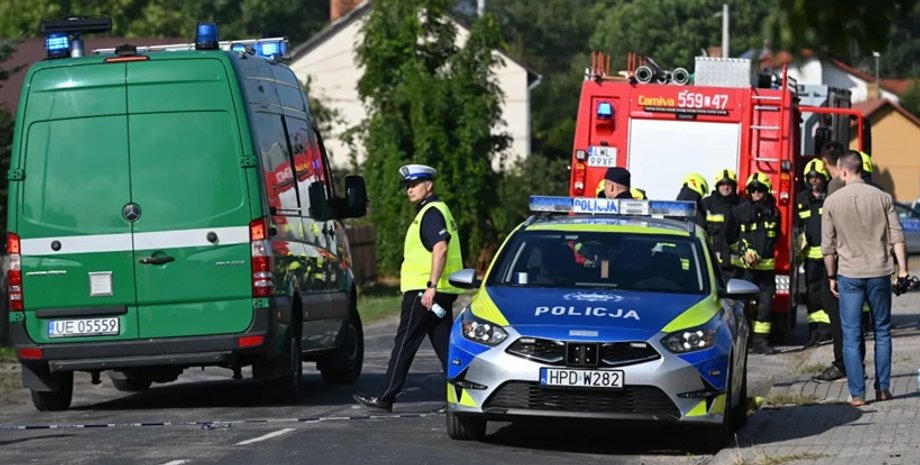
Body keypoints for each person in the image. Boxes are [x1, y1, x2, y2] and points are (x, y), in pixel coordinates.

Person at [354, 164, 464, 412]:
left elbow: (440, 248)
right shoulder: (439, 210)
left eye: (414, 184)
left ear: (429, 185)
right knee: (446, 347)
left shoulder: (431, 212)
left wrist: (430, 286)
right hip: (439, 292)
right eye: (407, 186)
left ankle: (386, 396)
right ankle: (460, 399)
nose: (409, 190)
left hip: (423, 293)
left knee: (405, 342)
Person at [821, 150, 907, 406]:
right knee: (882, 331)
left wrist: (831, 275)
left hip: (849, 274)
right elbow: (897, 237)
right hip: (880, 272)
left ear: (844, 171)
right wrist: (902, 270)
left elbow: (828, 247)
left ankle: (857, 394)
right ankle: (883, 389)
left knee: (851, 334)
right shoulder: (882, 197)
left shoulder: (833, 202)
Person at [733, 172, 780, 355]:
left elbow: (774, 239)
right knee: (742, 307)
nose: (756, 192)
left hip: (766, 270)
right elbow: (730, 237)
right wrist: (743, 251)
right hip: (745, 270)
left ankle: (761, 342)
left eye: (760, 189)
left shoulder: (774, 212)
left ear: (766, 191)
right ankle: (743, 342)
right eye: (752, 189)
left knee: (765, 307)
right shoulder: (740, 210)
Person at [795, 159, 833, 348]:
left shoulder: (831, 197)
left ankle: (827, 331)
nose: (814, 181)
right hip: (810, 256)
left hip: (829, 256)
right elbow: (796, 226)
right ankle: (814, 332)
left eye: (817, 177)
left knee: (828, 294)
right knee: (811, 294)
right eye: (810, 178)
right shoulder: (801, 199)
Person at [701, 169, 741, 280]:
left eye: (729, 184)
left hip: (735, 268)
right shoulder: (706, 204)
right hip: (710, 265)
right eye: (722, 184)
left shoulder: (742, 205)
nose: (726, 187)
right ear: (717, 186)